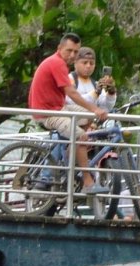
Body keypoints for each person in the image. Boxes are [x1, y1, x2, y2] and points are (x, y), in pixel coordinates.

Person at [28, 33, 110, 193]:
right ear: (59, 49)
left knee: (89, 118)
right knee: (81, 136)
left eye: (75, 52)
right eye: (69, 51)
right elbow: (71, 93)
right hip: (48, 113)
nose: (72, 55)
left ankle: (72, 152)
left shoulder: (59, 63)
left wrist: (94, 110)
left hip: (59, 108)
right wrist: (95, 109)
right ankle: (88, 183)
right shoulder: (57, 63)